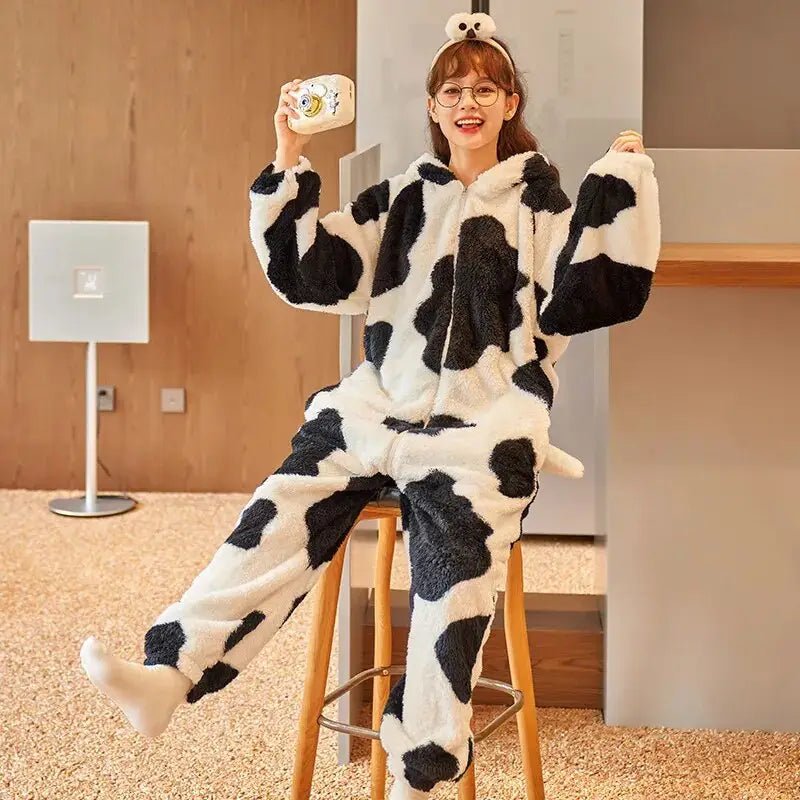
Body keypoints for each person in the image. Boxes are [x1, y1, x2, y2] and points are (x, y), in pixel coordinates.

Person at [80, 10, 660, 799]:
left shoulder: (540, 203)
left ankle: (421, 760)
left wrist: (624, 180)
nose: (468, 103)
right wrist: (289, 158)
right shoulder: (402, 199)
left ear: (510, 102)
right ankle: (169, 674)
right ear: (432, 106)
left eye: (485, 89)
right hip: (377, 406)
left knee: (455, 572)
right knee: (279, 508)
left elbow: (596, 292)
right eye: (452, 90)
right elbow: (309, 271)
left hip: (485, 424)